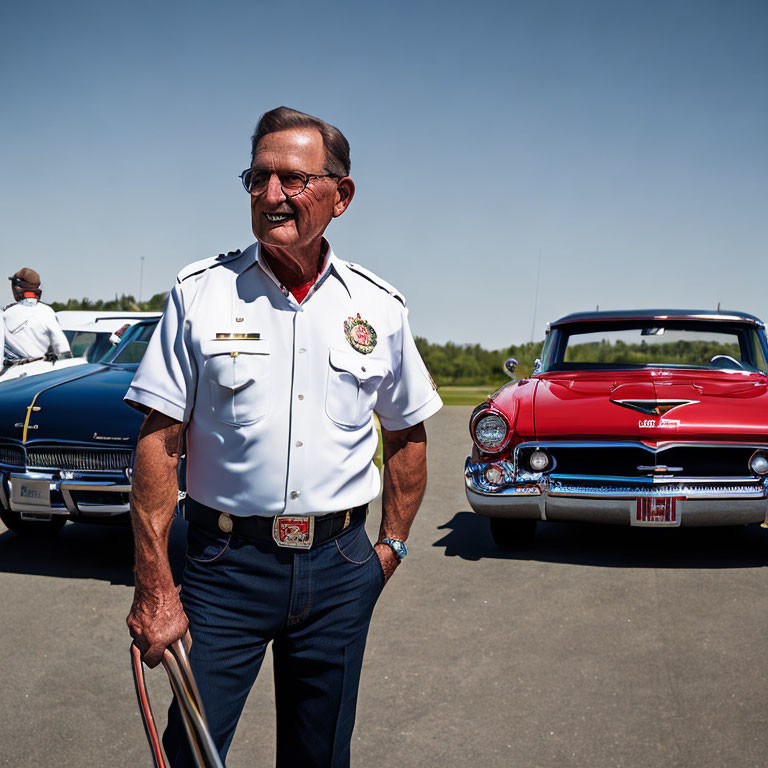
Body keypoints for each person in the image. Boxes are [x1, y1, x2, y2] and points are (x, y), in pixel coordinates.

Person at [125, 106, 443, 767]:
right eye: (258, 178)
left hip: (340, 569)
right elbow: (158, 443)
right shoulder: (201, 293)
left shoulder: (378, 307)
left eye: (292, 180)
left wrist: (390, 548)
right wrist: (155, 586)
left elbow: (407, 435)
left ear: (341, 195)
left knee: (321, 756)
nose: (272, 196)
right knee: (191, 753)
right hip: (223, 568)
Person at [3, 268, 71, 362]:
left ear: (17, 288)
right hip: (44, 368)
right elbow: (61, 347)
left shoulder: (7, 314)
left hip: (15, 372)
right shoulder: (48, 311)